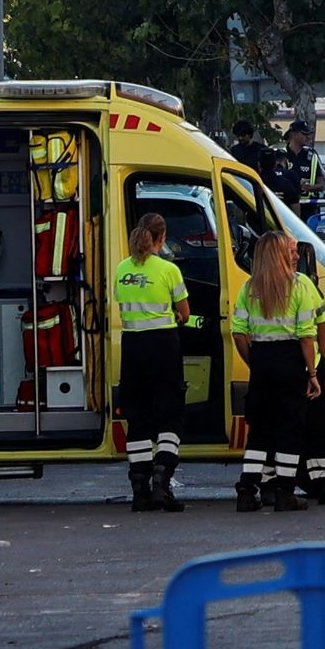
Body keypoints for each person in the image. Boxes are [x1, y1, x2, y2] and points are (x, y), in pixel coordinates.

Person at [229, 228, 325, 513]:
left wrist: (255, 362)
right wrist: (312, 373)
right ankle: (285, 492)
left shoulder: (250, 288)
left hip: (261, 357)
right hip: (291, 359)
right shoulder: (298, 286)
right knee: (290, 427)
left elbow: (238, 332)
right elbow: (305, 335)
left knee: (259, 429)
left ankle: (247, 491)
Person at [111, 209, 194, 511]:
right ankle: (162, 482)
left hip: (132, 346)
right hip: (163, 345)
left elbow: (123, 307)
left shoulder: (122, 269)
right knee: (170, 414)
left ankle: (139, 490)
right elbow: (184, 313)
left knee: (138, 417)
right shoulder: (169, 270)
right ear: (163, 237)